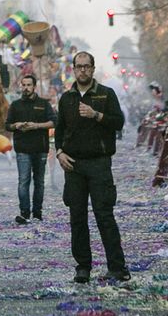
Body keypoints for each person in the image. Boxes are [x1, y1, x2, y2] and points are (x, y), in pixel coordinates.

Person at [55, 50, 130, 285]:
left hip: (99, 164)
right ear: (73, 69)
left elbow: (118, 122)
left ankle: (117, 267)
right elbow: (59, 130)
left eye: (87, 66)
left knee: (104, 215)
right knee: (77, 217)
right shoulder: (67, 98)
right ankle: (83, 267)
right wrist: (59, 153)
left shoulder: (106, 95)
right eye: (79, 66)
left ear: (93, 68)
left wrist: (96, 115)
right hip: (74, 166)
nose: (83, 70)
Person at [5, 72, 53, 224]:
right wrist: (17, 125)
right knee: (23, 181)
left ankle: (37, 213)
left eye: (28, 85)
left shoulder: (44, 104)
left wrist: (37, 126)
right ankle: (24, 213)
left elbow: (53, 122)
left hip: (40, 148)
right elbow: (7, 125)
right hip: (23, 149)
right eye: (23, 85)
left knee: (39, 182)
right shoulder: (15, 105)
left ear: (34, 86)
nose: (26, 88)